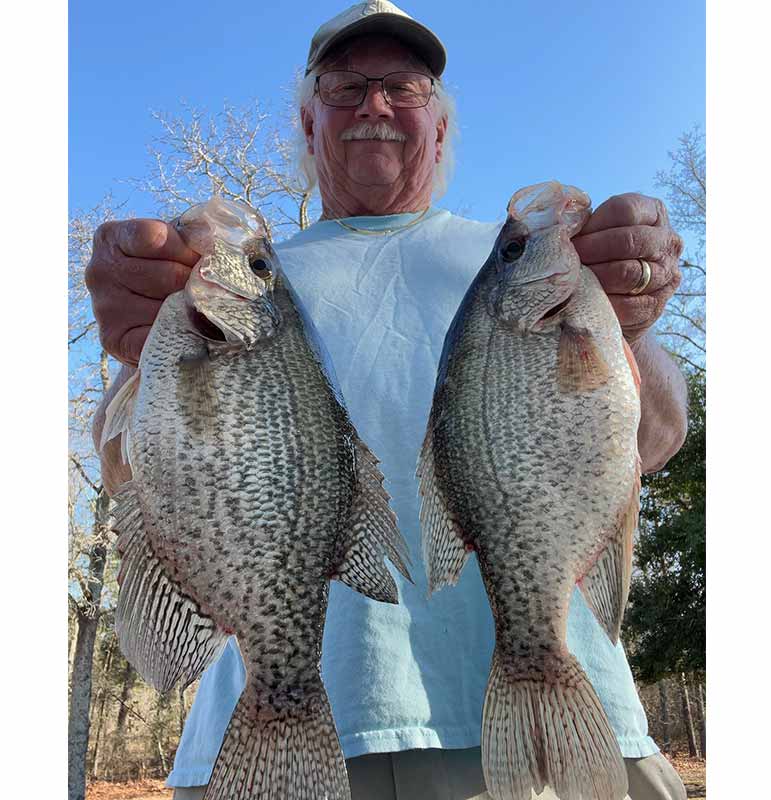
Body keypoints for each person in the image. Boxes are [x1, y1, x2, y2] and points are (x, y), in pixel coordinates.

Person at [86, 3, 690, 799]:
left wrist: (631, 327)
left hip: (552, 726)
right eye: (345, 86)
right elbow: (132, 463)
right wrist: (139, 349)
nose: (374, 105)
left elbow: (654, 435)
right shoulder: (237, 285)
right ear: (307, 125)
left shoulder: (516, 266)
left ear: (440, 127)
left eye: (403, 87)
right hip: (266, 730)